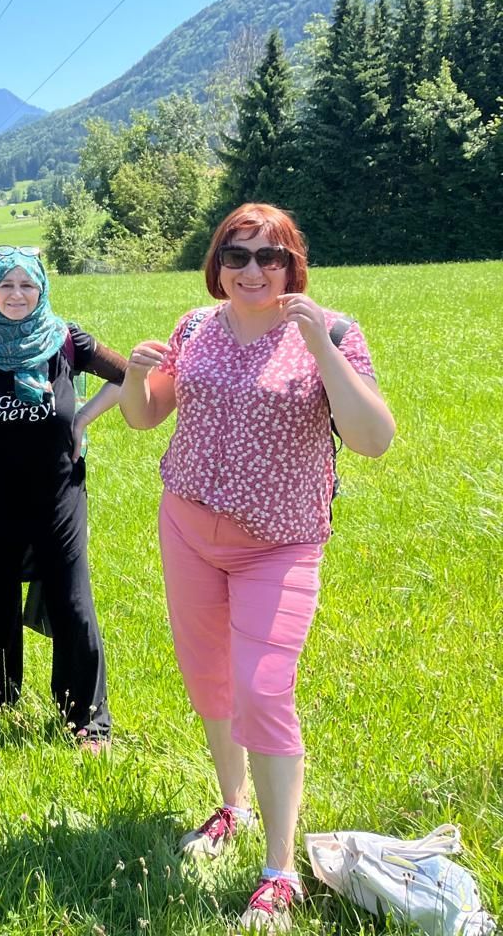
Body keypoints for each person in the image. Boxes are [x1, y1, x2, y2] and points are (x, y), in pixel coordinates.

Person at [119, 204, 395, 932]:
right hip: (187, 525)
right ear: (217, 264)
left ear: (292, 264)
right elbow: (147, 418)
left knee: (262, 688)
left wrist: (321, 349)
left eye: (269, 257)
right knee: (210, 679)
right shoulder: (195, 328)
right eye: (236, 255)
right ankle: (229, 808)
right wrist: (134, 380)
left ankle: (280, 871)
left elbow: (373, 440)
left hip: (281, 539)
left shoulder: (330, 331)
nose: (251, 270)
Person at [0, 245, 126, 749]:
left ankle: (87, 719)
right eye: (6, 285)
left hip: (58, 494)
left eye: (28, 285)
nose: (17, 294)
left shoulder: (65, 340)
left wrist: (84, 419)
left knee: (72, 602)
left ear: (41, 290)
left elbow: (131, 376)